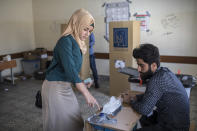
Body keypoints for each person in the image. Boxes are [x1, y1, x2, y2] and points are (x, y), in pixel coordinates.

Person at [41, 9, 100, 131]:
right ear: (76, 24)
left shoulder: (78, 43)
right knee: (61, 124)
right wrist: (87, 94)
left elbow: (72, 71)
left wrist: (82, 82)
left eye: (90, 31)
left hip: (66, 86)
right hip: (54, 87)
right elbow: (70, 70)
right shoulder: (65, 41)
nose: (87, 34)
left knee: (75, 121)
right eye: (85, 29)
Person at [128, 44, 190, 131]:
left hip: (174, 127)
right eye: (138, 65)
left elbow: (144, 109)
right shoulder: (164, 71)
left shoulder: (156, 80)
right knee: (143, 119)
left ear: (153, 65)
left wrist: (131, 101)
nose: (138, 69)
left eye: (141, 66)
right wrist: (136, 97)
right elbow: (152, 95)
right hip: (175, 121)